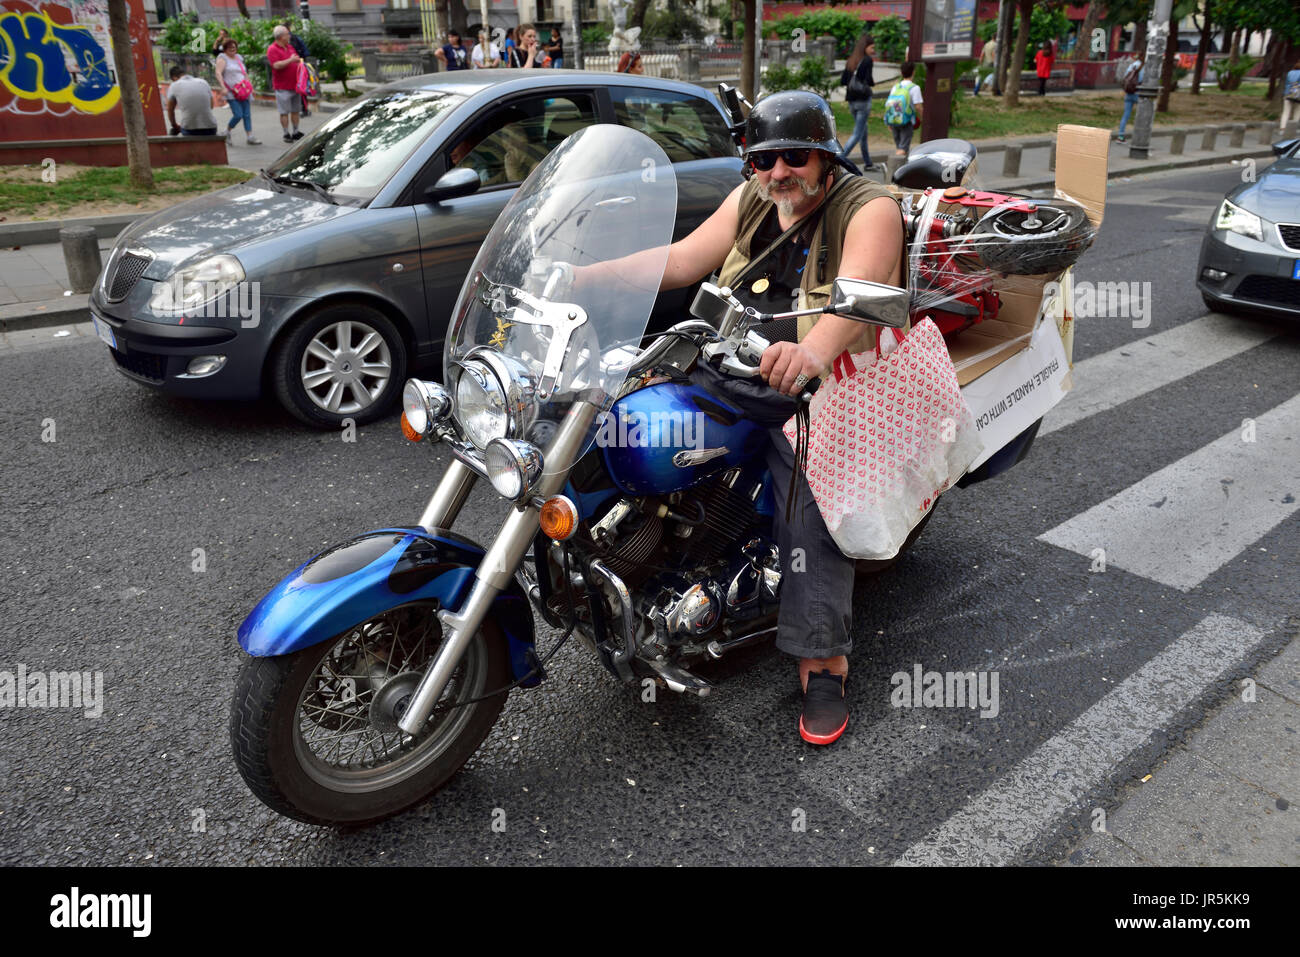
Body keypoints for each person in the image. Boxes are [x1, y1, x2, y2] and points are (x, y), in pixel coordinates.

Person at [574, 92, 908, 744]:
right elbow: (681, 260)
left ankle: (822, 659)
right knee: (617, 418)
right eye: (762, 158)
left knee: (807, 495)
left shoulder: (870, 207)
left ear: (826, 153)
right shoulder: (755, 196)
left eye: (794, 155)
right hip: (728, 359)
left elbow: (860, 298)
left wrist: (810, 351)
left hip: (824, 379)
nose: (778, 170)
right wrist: (587, 277)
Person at [839, 34, 877, 172]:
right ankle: (839, 160)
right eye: (872, 47)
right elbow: (869, 79)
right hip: (863, 101)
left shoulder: (851, 60)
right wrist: (870, 83)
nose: (873, 50)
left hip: (851, 102)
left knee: (863, 132)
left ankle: (868, 162)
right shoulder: (867, 60)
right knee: (857, 134)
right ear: (865, 47)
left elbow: (843, 81)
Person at [215, 40, 262, 145]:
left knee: (247, 114)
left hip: (243, 90)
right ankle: (226, 131)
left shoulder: (238, 58)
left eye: (234, 47)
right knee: (238, 114)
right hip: (232, 91)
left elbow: (244, 73)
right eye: (230, 48)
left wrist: (250, 87)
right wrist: (223, 87)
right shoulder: (223, 58)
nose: (233, 49)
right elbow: (218, 73)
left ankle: (250, 136)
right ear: (225, 49)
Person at [267, 26, 303, 143]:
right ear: (281, 36)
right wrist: (291, 60)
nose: (290, 36)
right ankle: (286, 133)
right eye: (288, 34)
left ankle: (296, 131)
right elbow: (276, 65)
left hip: (295, 85)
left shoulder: (290, 47)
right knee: (284, 112)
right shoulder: (272, 49)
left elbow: (295, 59)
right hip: (282, 87)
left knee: (296, 110)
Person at [882, 60, 923, 157]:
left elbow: (889, 104)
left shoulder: (896, 87)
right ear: (913, 72)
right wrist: (923, 118)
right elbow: (918, 106)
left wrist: (888, 120)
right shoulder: (914, 88)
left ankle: (902, 167)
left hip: (894, 119)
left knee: (899, 146)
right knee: (902, 149)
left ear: (901, 72)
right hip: (906, 121)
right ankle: (895, 169)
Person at [166, 66, 217, 136]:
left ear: (174, 77)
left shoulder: (174, 85)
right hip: (211, 128)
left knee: (174, 131)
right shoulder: (203, 82)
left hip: (190, 130)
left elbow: (169, 109)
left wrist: (175, 125)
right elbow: (211, 105)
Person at [283, 20, 311, 116]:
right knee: (301, 87)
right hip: (299, 66)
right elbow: (306, 52)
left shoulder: (291, 40)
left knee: (299, 87)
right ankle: (303, 109)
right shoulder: (295, 38)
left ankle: (301, 109)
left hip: (295, 67)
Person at [1116, 52, 1142, 142]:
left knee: (1125, 115)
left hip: (1129, 93)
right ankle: (1138, 138)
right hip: (1139, 94)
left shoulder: (1132, 65)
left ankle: (1120, 136)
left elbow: (1125, 78)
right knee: (1141, 116)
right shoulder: (1144, 67)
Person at [1280, 55, 1300, 133]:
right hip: (1298, 95)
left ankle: (1282, 129)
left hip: (1288, 93)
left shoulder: (1290, 72)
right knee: (1297, 111)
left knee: (1285, 112)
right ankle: (1293, 128)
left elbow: (1287, 83)